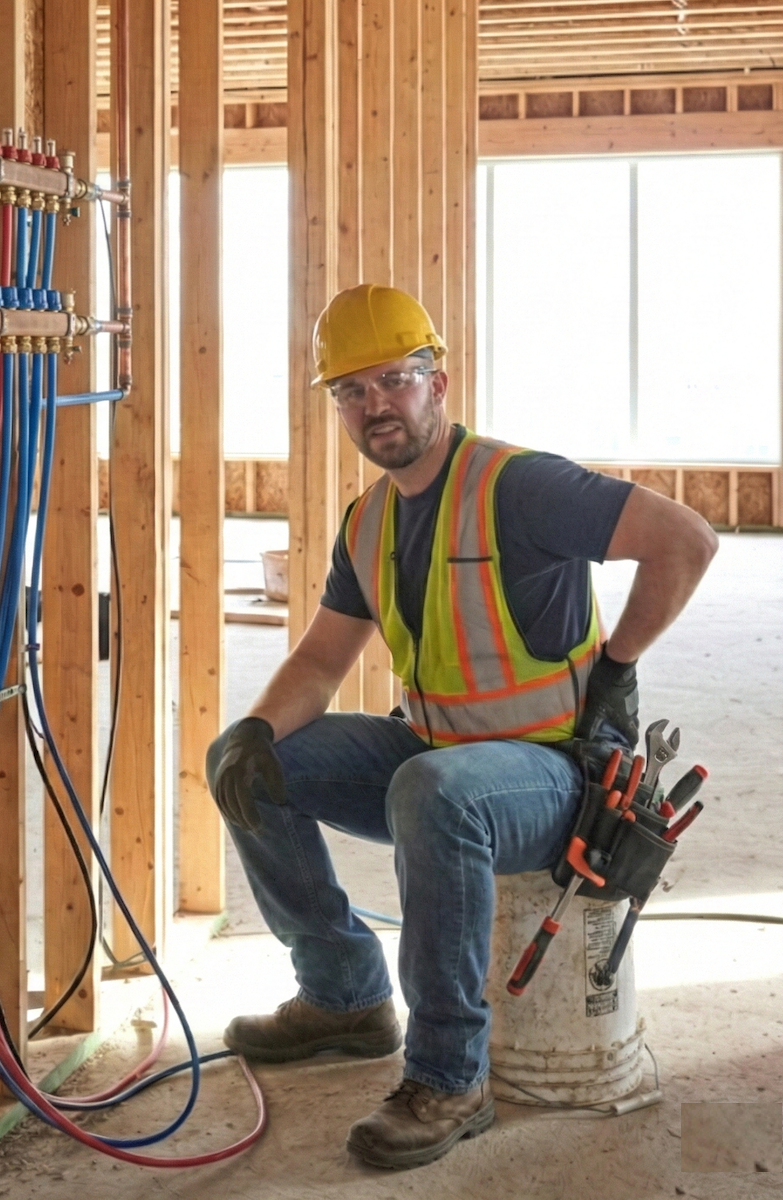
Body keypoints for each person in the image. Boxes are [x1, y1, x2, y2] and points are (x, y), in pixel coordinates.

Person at [206, 284, 717, 1170]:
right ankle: (343, 996)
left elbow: (687, 539)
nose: (375, 407)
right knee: (250, 763)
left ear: (436, 382)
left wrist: (620, 669)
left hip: (555, 775)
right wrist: (252, 730)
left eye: (393, 381)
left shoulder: (518, 486)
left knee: (432, 789)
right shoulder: (368, 522)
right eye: (350, 391)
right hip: (438, 755)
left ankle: (448, 1077)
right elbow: (323, 662)